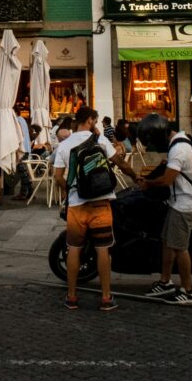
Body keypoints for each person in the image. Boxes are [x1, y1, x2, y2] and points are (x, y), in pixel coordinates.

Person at [53, 105, 138, 312]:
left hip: (77, 206)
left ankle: (72, 297)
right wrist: (136, 177)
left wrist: (71, 190)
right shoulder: (100, 141)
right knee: (103, 250)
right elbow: (121, 163)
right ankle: (106, 298)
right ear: (90, 120)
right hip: (101, 204)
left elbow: (57, 177)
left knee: (74, 249)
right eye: (95, 121)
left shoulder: (65, 145)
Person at [137, 121, 192, 305]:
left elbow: (167, 180)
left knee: (180, 248)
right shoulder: (181, 141)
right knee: (167, 241)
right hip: (178, 202)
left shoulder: (179, 149)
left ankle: (188, 291)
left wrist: (148, 184)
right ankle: (165, 281)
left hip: (185, 204)